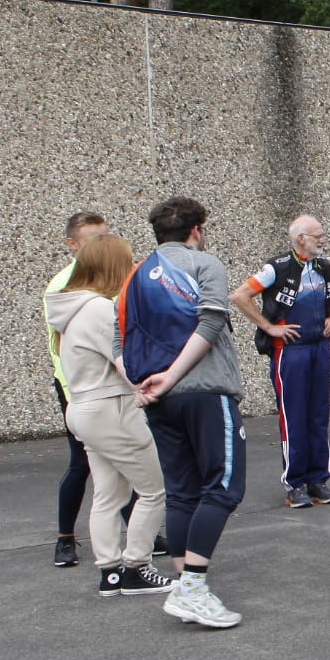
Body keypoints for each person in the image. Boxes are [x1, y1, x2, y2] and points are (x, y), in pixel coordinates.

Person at [123, 196, 247, 629]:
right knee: (224, 486)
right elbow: (211, 323)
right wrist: (172, 377)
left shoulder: (135, 275)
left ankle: (186, 585)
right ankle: (193, 586)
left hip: (160, 398)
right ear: (197, 230)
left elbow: (120, 342)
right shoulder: (204, 264)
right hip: (204, 390)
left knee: (182, 491)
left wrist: (145, 384)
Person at [43, 234, 174, 600]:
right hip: (111, 409)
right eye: (128, 263)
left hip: (85, 409)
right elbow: (128, 365)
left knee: (108, 494)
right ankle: (136, 567)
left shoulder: (69, 313)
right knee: (153, 489)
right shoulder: (99, 310)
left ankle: (111, 572)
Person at [231, 214, 330, 509]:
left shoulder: (323, 266)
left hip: (319, 348)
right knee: (293, 416)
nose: (323, 239)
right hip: (289, 351)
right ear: (301, 239)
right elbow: (241, 296)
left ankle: (318, 479)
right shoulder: (276, 267)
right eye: (317, 234)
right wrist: (269, 327)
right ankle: (295, 484)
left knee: (318, 414)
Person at [45, 209, 109, 568]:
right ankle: (65, 538)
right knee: (82, 462)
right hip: (79, 388)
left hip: (114, 386)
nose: (101, 246)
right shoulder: (61, 287)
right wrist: (74, 399)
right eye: (92, 240)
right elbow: (61, 350)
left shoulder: (114, 279)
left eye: (105, 238)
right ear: (72, 245)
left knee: (127, 455)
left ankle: (138, 528)